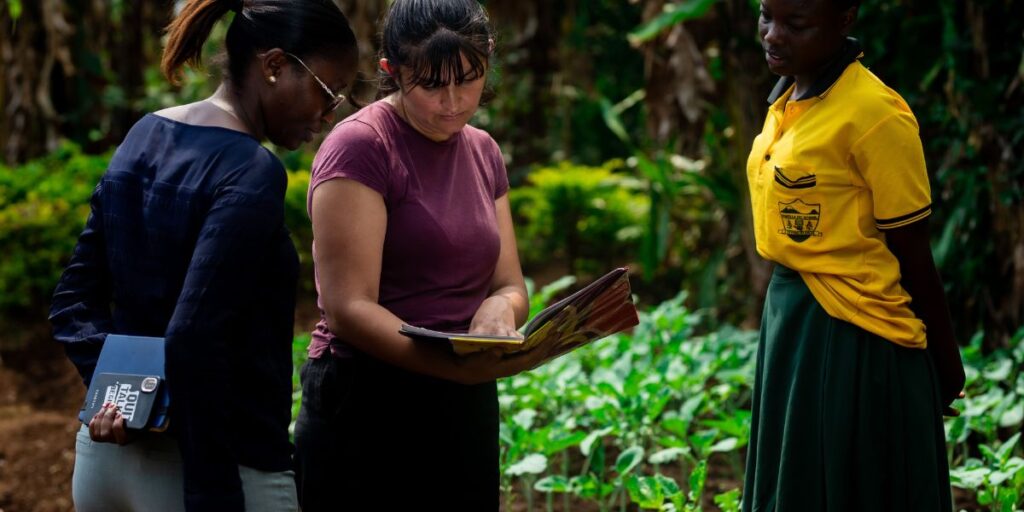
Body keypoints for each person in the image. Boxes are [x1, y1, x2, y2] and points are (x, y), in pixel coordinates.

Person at [48, 1, 358, 510]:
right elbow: (194, 335)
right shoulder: (251, 171)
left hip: (105, 466)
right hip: (217, 468)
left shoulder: (144, 135)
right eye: (327, 93)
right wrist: (213, 490)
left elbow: (73, 299)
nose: (329, 116)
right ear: (275, 65)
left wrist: (121, 397)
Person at [292, 0, 555, 509]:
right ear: (392, 72)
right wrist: (453, 368)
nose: (454, 102)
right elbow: (348, 308)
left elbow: (509, 283)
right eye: (432, 85)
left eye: (469, 80)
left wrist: (498, 311)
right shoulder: (362, 146)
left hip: (463, 394)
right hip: (368, 401)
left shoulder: (482, 150)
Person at [741, 0, 966, 510]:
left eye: (796, 24)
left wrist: (945, 365)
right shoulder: (788, 97)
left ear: (845, 20)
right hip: (791, 316)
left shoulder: (873, 114)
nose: (773, 35)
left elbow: (912, 251)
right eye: (765, 16)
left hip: (852, 333)